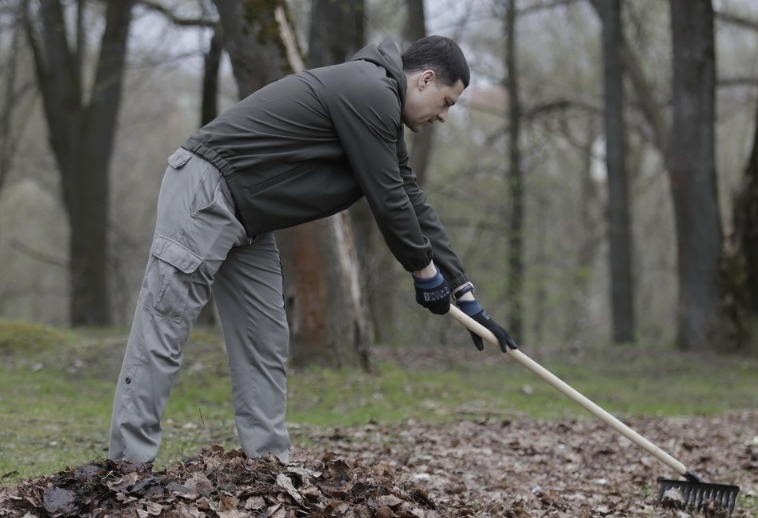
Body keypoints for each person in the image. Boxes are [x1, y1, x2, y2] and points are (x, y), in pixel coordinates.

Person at [108, 35, 517, 464]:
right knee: (164, 327)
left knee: (263, 338)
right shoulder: (369, 90)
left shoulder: (381, 110)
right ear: (426, 79)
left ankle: (267, 469)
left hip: (249, 217)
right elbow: (387, 197)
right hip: (206, 191)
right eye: (447, 101)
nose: (445, 117)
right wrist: (422, 273)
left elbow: (412, 200)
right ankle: (128, 470)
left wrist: (464, 293)